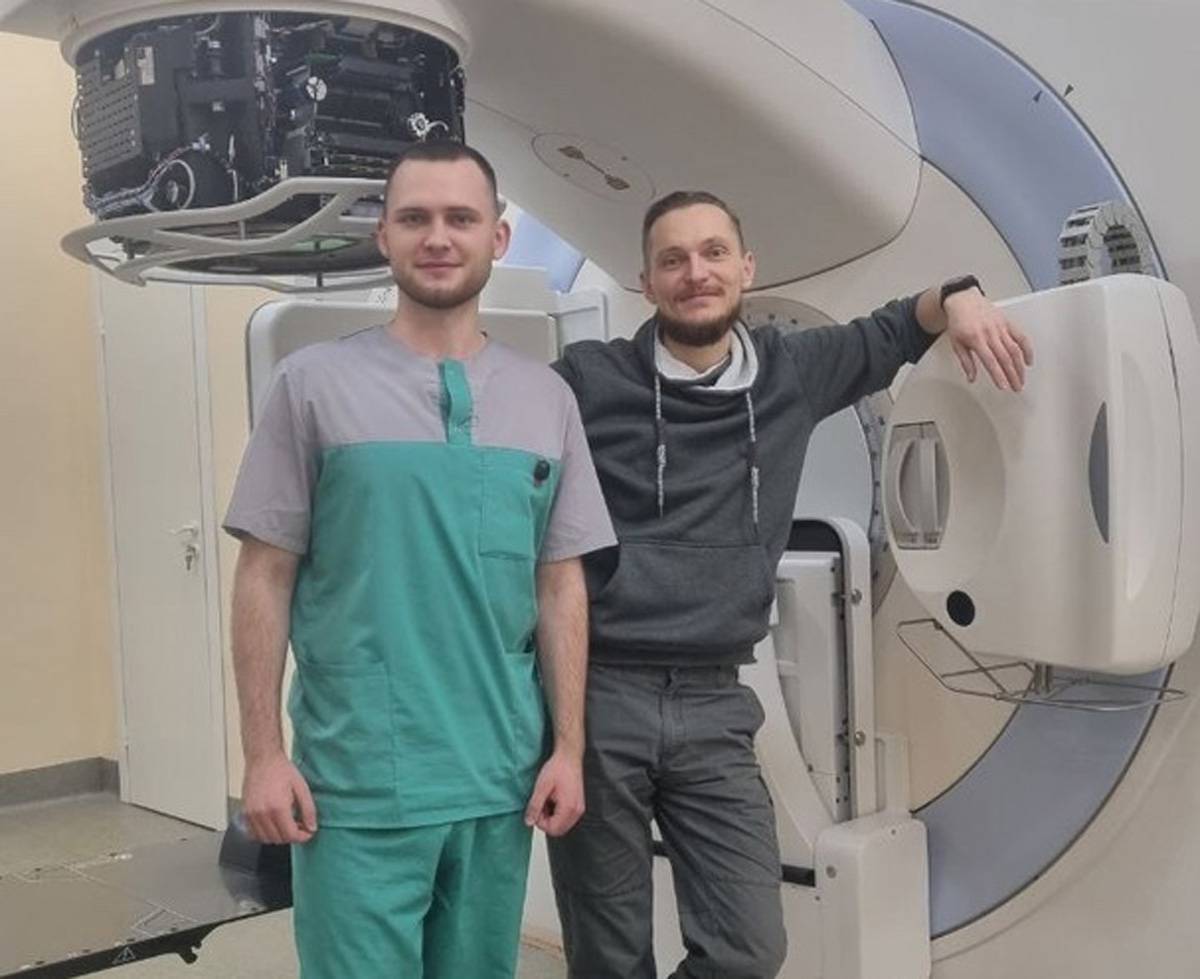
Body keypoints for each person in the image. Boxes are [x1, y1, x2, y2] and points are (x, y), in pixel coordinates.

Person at [547, 189, 1033, 979]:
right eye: (673, 259)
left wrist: (964, 296)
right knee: (608, 954)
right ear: (645, 281)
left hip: (716, 702)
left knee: (750, 948)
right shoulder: (590, 378)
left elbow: (898, 327)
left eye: (713, 253)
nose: (695, 273)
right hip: (603, 696)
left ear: (747, 267)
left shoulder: (792, 371)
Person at [223, 141, 616, 979]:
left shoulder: (546, 399)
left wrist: (568, 748)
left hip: (497, 777)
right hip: (357, 781)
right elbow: (264, 572)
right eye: (415, 218)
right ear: (384, 236)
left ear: (497, 238)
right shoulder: (313, 385)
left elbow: (559, 582)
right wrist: (262, 753)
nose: (438, 237)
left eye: (460, 218)